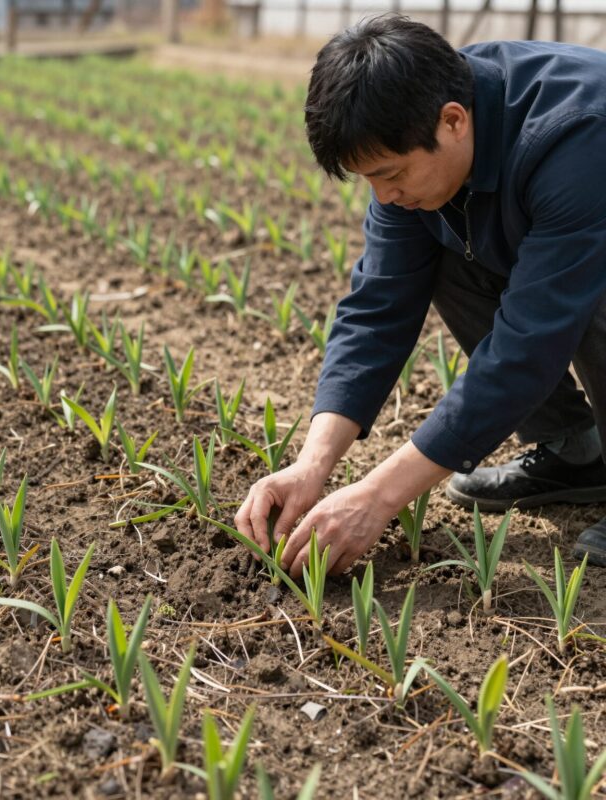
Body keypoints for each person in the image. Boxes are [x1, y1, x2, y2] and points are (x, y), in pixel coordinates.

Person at [235, 15, 606, 577]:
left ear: (453, 121)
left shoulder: (577, 136)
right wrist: (312, 466)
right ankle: (576, 453)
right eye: (369, 181)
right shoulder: (419, 129)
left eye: (391, 174)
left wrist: (379, 496)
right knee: (457, 255)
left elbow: (530, 343)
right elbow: (378, 306)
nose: (383, 196)